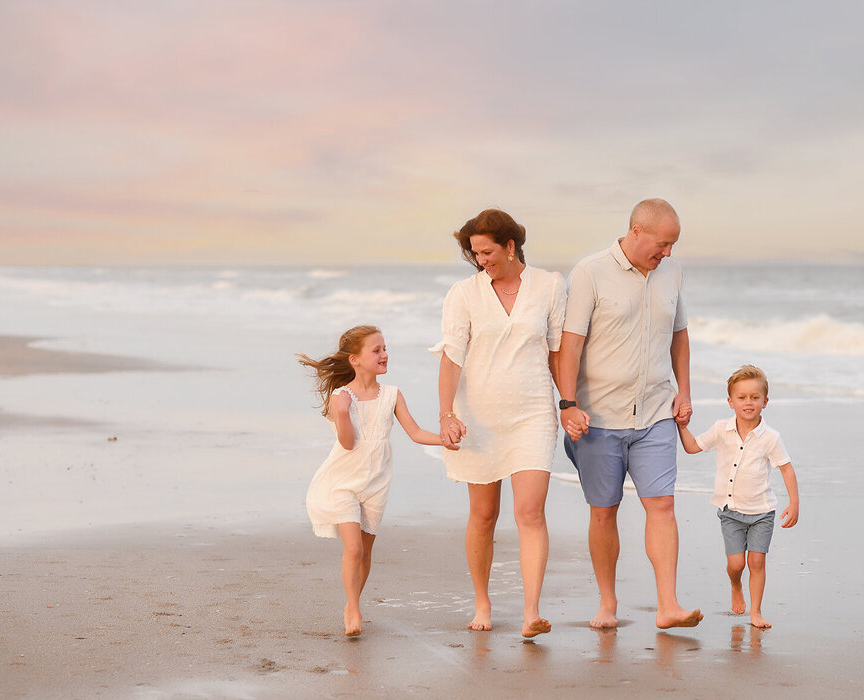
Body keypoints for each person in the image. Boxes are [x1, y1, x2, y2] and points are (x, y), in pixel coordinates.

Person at [558, 198, 703, 630]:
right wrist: (568, 403)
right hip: (599, 417)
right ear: (636, 231)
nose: (668, 254)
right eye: (663, 244)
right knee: (604, 511)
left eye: (673, 245)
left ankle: (668, 606)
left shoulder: (671, 273)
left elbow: (680, 335)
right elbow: (570, 343)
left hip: (657, 411)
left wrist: (684, 392)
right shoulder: (590, 272)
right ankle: (607, 603)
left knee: (662, 505)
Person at [432, 208, 567, 638]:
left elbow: (557, 351)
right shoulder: (464, 293)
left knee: (530, 511)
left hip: (531, 412)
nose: (481, 260)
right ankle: (482, 601)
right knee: (484, 515)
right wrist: (447, 414)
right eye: (474, 254)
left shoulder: (549, 286)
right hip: (478, 416)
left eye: (487, 252)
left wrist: (569, 403)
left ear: (511, 246)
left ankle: (531, 612)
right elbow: (452, 355)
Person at [298, 325, 447, 637]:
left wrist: (444, 440)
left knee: (365, 552)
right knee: (353, 549)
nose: (384, 354)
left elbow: (416, 433)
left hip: (376, 482)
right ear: (355, 359)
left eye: (384, 348)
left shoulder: (392, 395)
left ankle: (353, 601)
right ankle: (353, 607)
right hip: (343, 481)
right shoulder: (342, 397)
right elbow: (349, 444)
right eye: (376, 350)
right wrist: (341, 414)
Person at [676, 365, 799, 629]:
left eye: (755, 397)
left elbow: (787, 469)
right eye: (742, 397)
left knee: (756, 561)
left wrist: (794, 503)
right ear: (730, 402)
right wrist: (681, 426)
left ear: (765, 402)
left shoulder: (771, 437)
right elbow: (692, 447)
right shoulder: (721, 429)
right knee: (736, 564)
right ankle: (735, 585)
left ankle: (756, 611)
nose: (748, 402)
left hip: (762, 512)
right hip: (730, 510)